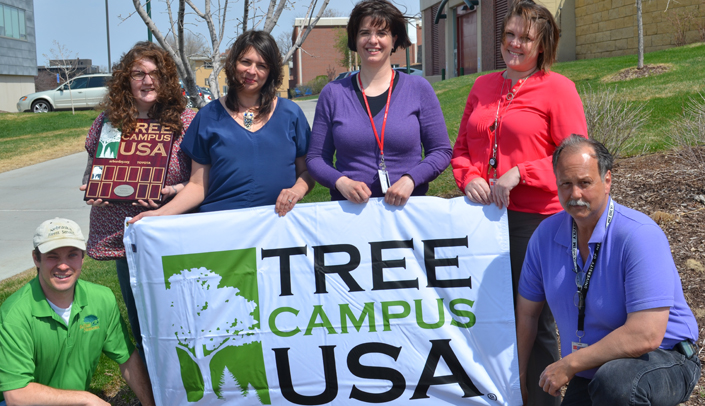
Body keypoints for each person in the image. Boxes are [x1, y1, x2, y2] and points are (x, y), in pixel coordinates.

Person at [450, 1, 587, 404]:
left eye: (525, 38)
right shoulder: (482, 86)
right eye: (509, 34)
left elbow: (574, 157)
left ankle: (540, 398)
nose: (514, 43)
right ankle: (492, 393)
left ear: (542, 44)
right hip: (481, 219)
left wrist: (520, 173)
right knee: (485, 311)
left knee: (533, 316)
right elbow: (460, 149)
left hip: (535, 220)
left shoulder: (558, 88)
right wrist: (470, 176)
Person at [517, 135, 701, 405]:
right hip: (593, 369)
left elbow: (646, 335)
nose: (575, 194)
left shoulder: (639, 235)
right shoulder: (545, 236)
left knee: (617, 384)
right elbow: (527, 315)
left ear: (607, 181)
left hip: (664, 359)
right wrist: (518, 377)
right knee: (609, 382)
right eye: (566, 184)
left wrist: (569, 364)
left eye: (585, 183)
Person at [79, 41, 196, 364]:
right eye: (138, 73)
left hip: (175, 238)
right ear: (124, 80)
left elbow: (204, 181)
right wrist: (95, 187)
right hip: (129, 241)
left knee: (187, 319)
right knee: (144, 325)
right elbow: (95, 171)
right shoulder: (109, 123)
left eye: (156, 73)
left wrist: (171, 192)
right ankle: (157, 391)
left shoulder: (187, 122)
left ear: (167, 79)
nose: (147, 80)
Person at [131, 30, 313, 220]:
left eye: (262, 65)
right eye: (245, 62)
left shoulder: (291, 114)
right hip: (220, 228)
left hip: (276, 225)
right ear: (233, 63)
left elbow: (307, 171)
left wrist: (297, 190)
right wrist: (158, 214)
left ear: (271, 72)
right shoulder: (208, 116)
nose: (252, 71)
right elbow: (197, 185)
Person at [307, 0, 452, 206]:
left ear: (394, 40)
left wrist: (411, 179)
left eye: (382, 33)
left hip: (407, 211)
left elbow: (441, 151)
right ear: (355, 39)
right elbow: (315, 159)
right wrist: (341, 182)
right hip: (349, 213)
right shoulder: (333, 93)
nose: (372, 40)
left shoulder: (419, 88)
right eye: (364, 32)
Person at [0, 218, 155, 406]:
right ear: (36, 258)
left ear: (83, 257)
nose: (63, 265)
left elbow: (128, 359)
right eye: (52, 256)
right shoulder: (15, 314)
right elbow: (16, 395)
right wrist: (86, 399)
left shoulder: (102, 299)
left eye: (72, 255)